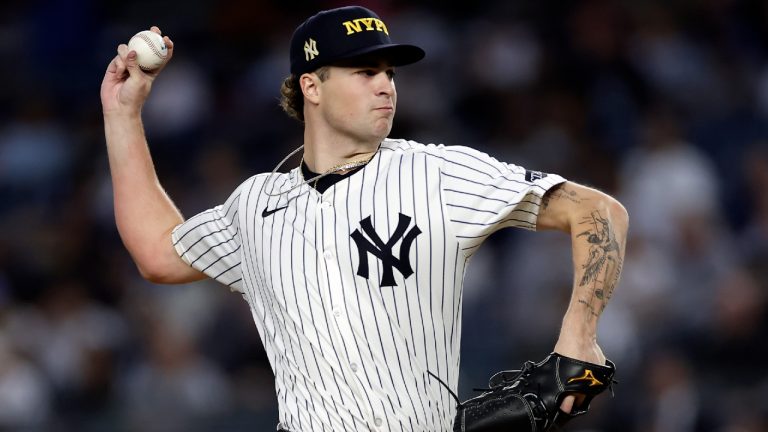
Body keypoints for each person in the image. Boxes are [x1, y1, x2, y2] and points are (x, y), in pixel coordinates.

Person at [100, 6, 628, 432]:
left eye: (390, 72)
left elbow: (597, 210)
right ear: (311, 87)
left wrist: (579, 332)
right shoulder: (254, 206)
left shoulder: (435, 172)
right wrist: (122, 113)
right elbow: (157, 252)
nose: (386, 86)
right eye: (365, 71)